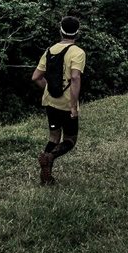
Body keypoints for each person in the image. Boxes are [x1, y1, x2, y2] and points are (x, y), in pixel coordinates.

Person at [31, 16, 86, 185]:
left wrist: (48, 89)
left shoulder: (50, 50)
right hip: (66, 104)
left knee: (54, 136)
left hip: (50, 102)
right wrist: (73, 106)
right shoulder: (78, 52)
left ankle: (45, 177)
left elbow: (36, 77)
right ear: (77, 33)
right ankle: (50, 156)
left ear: (60, 30)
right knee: (70, 139)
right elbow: (75, 78)